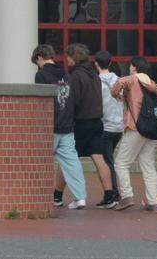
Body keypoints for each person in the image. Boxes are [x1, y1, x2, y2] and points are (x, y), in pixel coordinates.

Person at [31, 44, 86, 210]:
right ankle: (80, 198)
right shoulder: (66, 74)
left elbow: (42, 102)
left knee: (40, 161)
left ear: (40, 57)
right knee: (72, 163)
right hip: (67, 125)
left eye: (36, 61)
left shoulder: (41, 75)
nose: (37, 65)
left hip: (51, 125)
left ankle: (37, 197)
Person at [63, 43, 115, 208]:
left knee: (67, 158)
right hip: (96, 122)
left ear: (74, 57)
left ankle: (56, 195)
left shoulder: (75, 76)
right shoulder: (94, 75)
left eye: (68, 56)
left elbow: (74, 101)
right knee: (99, 158)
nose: (67, 59)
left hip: (80, 122)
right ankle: (109, 196)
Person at [110, 56, 157, 211]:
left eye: (131, 66)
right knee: (148, 166)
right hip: (150, 128)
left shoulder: (133, 79)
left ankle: (127, 196)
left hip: (135, 126)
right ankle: (153, 202)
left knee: (121, 163)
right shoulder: (152, 84)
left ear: (134, 67)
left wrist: (116, 94)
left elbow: (119, 83)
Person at [95, 50, 124, 208]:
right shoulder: (119, 80)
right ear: (111, 63)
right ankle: (113, 193)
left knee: (107, 162)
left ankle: (114, 194)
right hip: (119, 127)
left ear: (96, 64)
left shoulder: (96, 82)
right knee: (108, 159)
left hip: (105, 126)